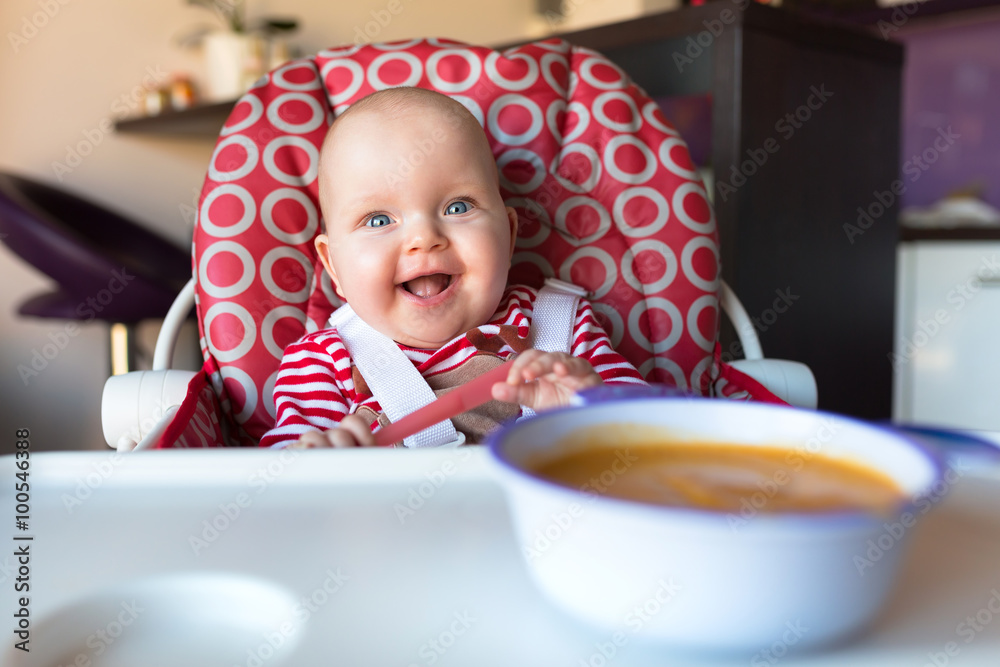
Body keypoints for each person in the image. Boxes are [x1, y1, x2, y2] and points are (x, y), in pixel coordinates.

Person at [260, 87, 646, 449]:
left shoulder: (563, 330)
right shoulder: (321, 363)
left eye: (458, 207)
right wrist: (322, 468)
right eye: (378, 220)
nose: (424, 237)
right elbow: (279, 494)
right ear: (334, 267)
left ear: (509, 236)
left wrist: (590, 412)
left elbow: (651, 436)